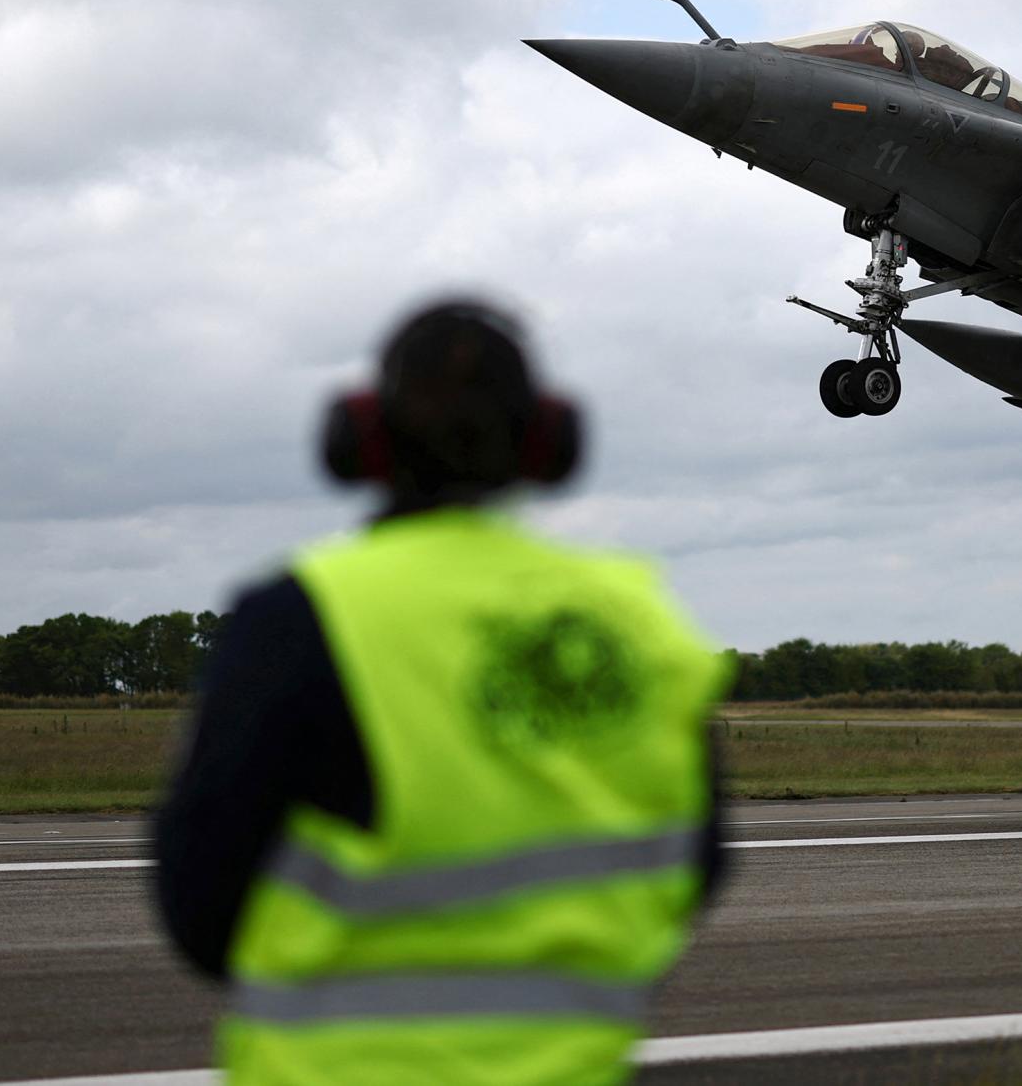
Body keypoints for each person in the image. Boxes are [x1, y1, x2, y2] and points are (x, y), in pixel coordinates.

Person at [154, 297, 730, 1085]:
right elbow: (696, 865)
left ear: (360, 434)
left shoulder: (303, 615)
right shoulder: (639, 623)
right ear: (545, 438)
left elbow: (199, 900)